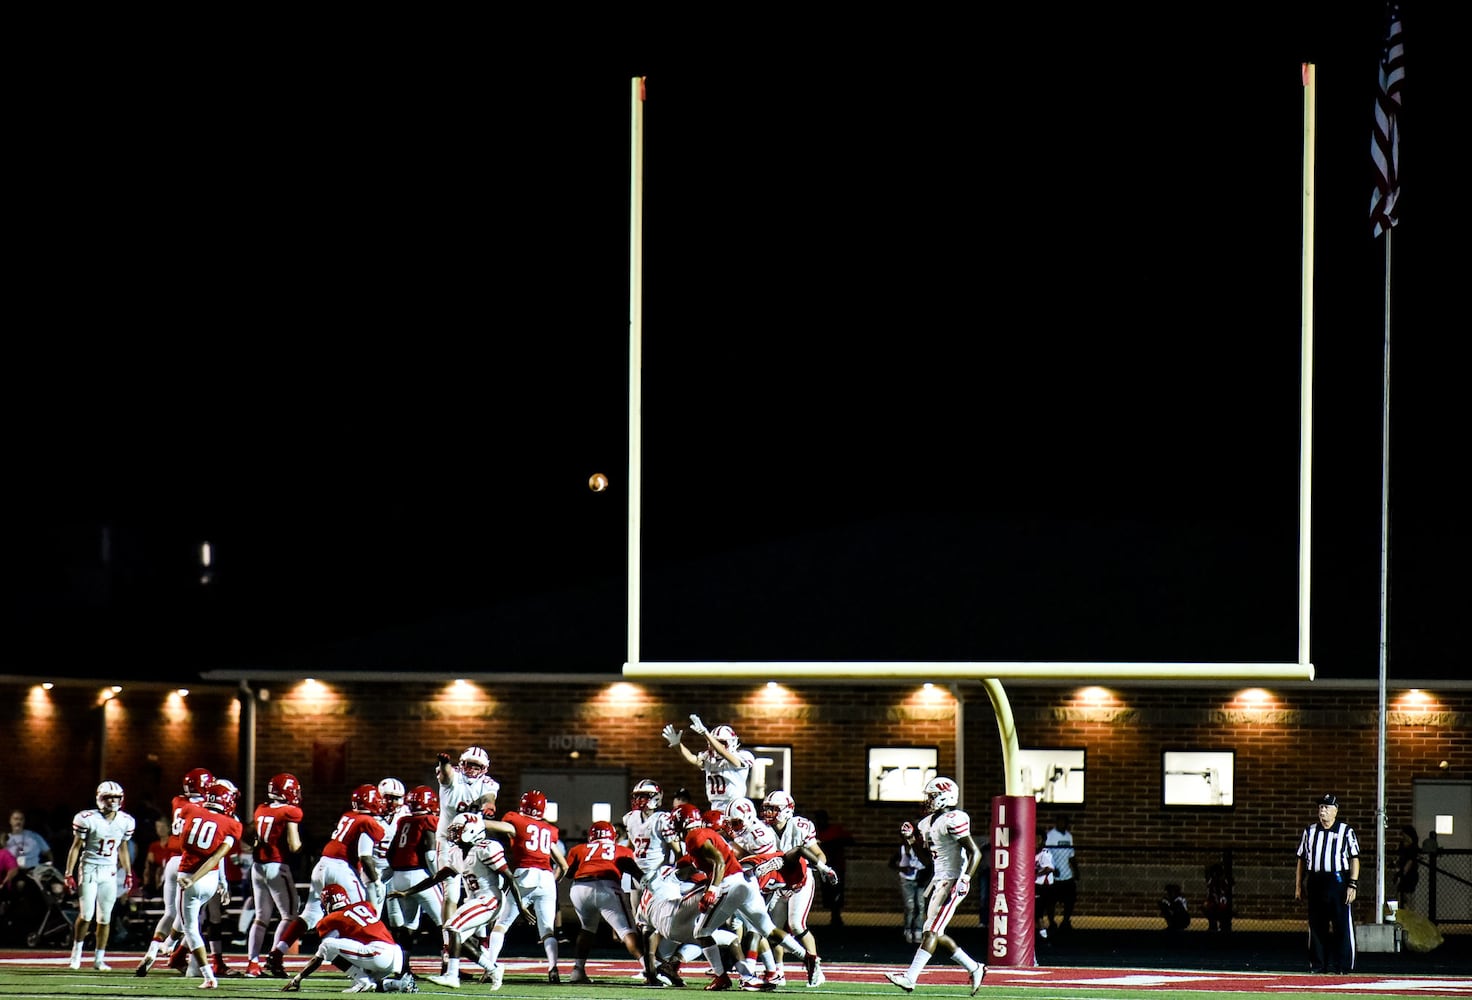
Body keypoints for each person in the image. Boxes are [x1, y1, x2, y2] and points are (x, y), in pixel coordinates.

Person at [393, 810, 534, 990]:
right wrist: (408, 892)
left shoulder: (486, 848)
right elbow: (438, 876)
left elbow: (509, 877)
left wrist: (520, 907)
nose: (454, 833)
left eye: (458, 830)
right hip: (476, 900)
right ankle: (493, 969)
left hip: (489, 900)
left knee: (452, 927)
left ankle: (452, 976)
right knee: (453, 940)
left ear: (472, 830)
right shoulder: (460, 853)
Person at [265, 784, 386, 977]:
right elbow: (365, 856)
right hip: (342, 868)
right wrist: (376, 880)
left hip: (322, 864)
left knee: (310, 914)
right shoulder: (367, 821)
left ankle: (277, 953)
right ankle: (363, 963)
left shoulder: (349, 816)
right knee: (359, 914)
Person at [884, 776, 986, 995]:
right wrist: (911, 839)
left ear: (945, 797)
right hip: (938, 880)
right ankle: (974, 967)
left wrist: (965, 879)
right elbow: (926, 861)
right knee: (935, 932)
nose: (927, 801)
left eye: (932, 796)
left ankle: (910, 978)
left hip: (953, 880)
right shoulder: (927, 823)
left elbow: (974, 852)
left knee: (930, 931)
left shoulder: (954, 818)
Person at [138, 780, 242, 990]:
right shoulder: (233, 823)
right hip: (211, 879)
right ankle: (169, 945)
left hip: (188, 874)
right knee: (187, 919)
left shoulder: (189, 810)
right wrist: (223, 881)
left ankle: (208, 976)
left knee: (189, 925)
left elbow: (179, 835)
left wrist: (192, 878)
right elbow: (216, 858)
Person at [483, 789, 569, 983]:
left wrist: (476, 820)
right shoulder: (549, 830)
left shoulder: (517, 821)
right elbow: (563, 865)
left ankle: (490, 967)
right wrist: (553, 881)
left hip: (525, 874)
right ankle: (553, 967)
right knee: (547, 929)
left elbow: (499, 827)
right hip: (546, 877)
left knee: (501, 925)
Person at [563, 820, 658, 985]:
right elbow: (636, 873)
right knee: (627, 930)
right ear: (613, 836)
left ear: (591, 835)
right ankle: (649, 970)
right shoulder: (622, 850)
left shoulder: (579, 849)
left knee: (587, 929)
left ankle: (578, 970)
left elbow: (569, 873)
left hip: (580, 888)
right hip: (607, 886)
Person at [280, 883, 417, 994]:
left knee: (327, 945)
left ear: (328, 903)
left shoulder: (331, 918)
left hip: (377, 953)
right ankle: (400, 984)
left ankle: (362, 981)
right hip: (395, 954)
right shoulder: (365, 905)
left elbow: (323, 952)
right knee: (372, 983)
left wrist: (298, 978)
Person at [760, 790, 832, 986]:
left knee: (797, 925)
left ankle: (815, 967)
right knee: (772, 931)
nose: (768, 813)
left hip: (800, 881)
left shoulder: (800, 826)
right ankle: (778, 972)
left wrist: (822, 868)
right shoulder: (763, 829)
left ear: (787, 810)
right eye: (767, 809)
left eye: (774, 809)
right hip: (777, 883)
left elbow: (818, 853)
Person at [65, 780, 136, 971]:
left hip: (109, 872)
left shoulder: (126, 821)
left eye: (116, 797)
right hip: (89, 868)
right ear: (100, 798)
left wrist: (128, 872)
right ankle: (76, 954)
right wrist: (68, 872)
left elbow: (123, 848)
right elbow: (76, 847)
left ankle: (99, 958)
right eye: (109, 797)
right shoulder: (87, 818)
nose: (113, 801)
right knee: (86, 914)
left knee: (105, 917)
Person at [1295, 792, 1360, 974]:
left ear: (1335, 811)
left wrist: (1352, 884)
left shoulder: (1346, 831)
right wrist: (1299, 885)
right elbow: (1301, 858)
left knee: (1342, 924)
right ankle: (1318, 965)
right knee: (1316, 925)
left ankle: (1343, 965)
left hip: (1338, 880)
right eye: (1320, 807)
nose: (1322, 811)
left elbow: (1354, 858)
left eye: (1326, 807)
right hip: (1316, 881)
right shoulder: (1310, 831)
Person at [246, 773, 303, 978]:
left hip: (258, 866)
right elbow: (294, 845)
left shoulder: (261, 808)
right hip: (277, 866)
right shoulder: (291, 811)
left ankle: (253, 963)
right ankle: (274, 957)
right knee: (290, 916)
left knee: (261, 917)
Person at [662, 714, 756, 811]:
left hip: (735, 808)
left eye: (721, 742)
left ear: (731, 743)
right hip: (715, 807)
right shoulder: (709, 758)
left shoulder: (743, 756)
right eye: (712, 743)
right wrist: (678, 745)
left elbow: (722, 752)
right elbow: (692, 759)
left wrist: (706, 734)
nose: (714, 746)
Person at [812, 809, 856, 927]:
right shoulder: (815, 834)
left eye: (822, 819)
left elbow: (851, 840)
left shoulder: (835, 830)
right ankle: (833, 916)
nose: (820, 821)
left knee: (837, 891)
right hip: (823, 867)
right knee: (827, 893)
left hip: (837, 866)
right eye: (818, 819)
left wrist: (833, 843)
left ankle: (836, 917)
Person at [891, 827, 928, 944]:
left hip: (920, 878)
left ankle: (918, 930)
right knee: (910, 906)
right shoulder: (902, 849)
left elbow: (927, 863)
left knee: (920, 905)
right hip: (907, 879)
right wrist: (902, 868)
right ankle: (908, 929)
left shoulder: (922, 848)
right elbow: (891, 863)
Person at [1044, 815, 1079, 933]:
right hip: (1054, 876)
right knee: (1051, 901)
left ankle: (1065, 922)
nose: (1062, 823)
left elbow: (1071, 855)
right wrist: (1052, 868)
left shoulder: (1069, 837)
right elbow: (1046, 854)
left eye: (1064, 821)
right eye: (1060, 821)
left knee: (1070, 899)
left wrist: (1076, 870)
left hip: (1067, 875)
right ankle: (1052, 923)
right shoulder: (1050, 836)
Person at [1033, 829, 1055, 941]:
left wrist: (1036, 873)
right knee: (1035, 912)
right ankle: (1041, 933)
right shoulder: (1031, 852)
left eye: (1038, 839)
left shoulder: (1045, 853)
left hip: (1043, 887)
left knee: (1038, 912)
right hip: (1035, 885)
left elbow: (1049, 868)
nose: (1036, 842)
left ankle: (1044, 935)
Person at [1204, 859, 1234, 932]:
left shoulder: (1224, 883)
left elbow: (1225, 898)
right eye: (1214, 874)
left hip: (1223, 906)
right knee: (1208, 907)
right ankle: (1213, 926)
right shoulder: (1211, 883)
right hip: (1214, 905)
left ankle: (1224, 926)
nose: (1216, 876)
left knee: (1224, 911)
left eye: (1217, 874)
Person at [1394, 824, 1420, 906]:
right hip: (1402, 873)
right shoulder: (1402, 845)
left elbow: (1410, 861)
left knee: (1406, 898)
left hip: (1409, 875)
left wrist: (1403, 872)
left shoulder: (1413, 847)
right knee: (1400, 896)